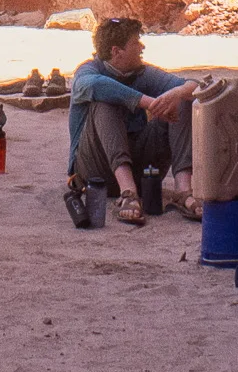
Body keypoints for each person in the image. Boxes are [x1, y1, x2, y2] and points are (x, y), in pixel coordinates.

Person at [68, 17, 197, 225]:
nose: (141, 47)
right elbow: (95, 85)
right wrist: (148, 103)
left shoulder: (141, 72)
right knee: (104, 102)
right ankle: (128, 193)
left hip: (143, 170)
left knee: (180, 100)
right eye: (136, 42)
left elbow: (195, 85)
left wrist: (177, 94)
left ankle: (183, 191)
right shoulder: (88, 70)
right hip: (95, 173)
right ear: (116, 51)